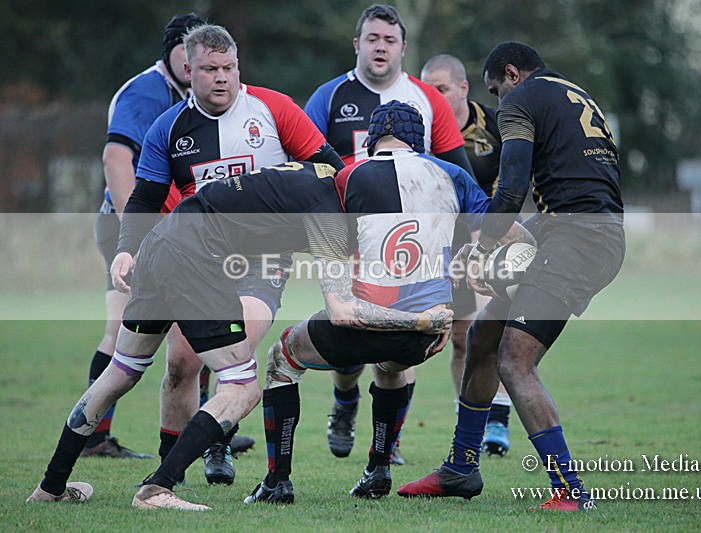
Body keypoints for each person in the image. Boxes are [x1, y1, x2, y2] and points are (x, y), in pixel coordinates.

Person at [25, 160, 453, 511]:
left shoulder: (319, 172)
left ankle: (51, 486)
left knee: (121, 371)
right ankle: (158, 489)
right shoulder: (329, 213)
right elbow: (342, 312)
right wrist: (423, 320)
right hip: (194, 255)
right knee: (243, 386)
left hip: (161, 241)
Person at [397, 41, 625, 512]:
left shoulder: (522, 99)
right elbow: (581, 192)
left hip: (576, 242)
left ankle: (570, 491)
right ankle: (461, 468)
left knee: (515, 361)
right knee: (482, 338)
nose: (499, 104)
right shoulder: (571, 93)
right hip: (582, 231)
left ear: (512, 74)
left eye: (496, 91)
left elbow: (513, 187)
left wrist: (482, 250)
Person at [114, 23, 344, 486]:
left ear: (238, 67)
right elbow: (144, 198)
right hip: (195, 259)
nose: (221, 77)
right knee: (181, 363)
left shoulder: (274, 108)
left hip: (263, 259)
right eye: (210, 69)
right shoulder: (169, 127)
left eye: (229, 68)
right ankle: (170, 470)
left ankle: (215, 443)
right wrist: (126, 249)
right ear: (189, 70)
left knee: (237, 345)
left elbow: (330, 171)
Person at [245, 101, 494, 504]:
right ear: (421, 141)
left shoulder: (347, 176)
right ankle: (378, 470)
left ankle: (277, 482)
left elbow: (333, 249)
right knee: (391, 367)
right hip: (427, 334)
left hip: (362, 325)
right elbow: (500, 230)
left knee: (282, 357)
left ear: (373, 141)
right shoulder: (453, 175)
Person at [304, 3, 473, 464]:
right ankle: (344, 403)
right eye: (373, 38)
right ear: (357, 44)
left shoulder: (427, 99)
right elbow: (308, 167)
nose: (381, 47)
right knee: (349, 346)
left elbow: (456, 174)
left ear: (403, 48)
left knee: (398, 349)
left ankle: (389, 440)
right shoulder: (329, 96)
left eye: (390, 40)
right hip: (355, 238)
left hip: (413, 243)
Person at [82, 13, 203, 460]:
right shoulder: (146, 91)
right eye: (185, 53)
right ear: (171, 50)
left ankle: (203, 430)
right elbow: (116, 158)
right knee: (174, 326)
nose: (195, 64)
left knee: (183, 328)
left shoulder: (185, 95)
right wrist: (139, 234)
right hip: (127, 226)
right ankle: (200, 433)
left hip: (156, 230)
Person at [420, 54, 513, 457]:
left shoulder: (497, 124)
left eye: (439, 88)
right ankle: (469, 424)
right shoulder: (418, 127)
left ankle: (499, 423)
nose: (431, 97)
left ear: (462, 89)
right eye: (426, 89)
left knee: (496, 332)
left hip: (494, 239)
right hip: (445, 245)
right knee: (460, 339)